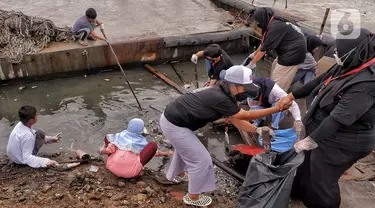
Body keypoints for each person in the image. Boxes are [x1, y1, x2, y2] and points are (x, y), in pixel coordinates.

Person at [160, 65, 291, 207]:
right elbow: (244, 115)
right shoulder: (220, 97)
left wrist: (256, 130)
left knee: (184, 151)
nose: (246, 92)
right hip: (174, 124)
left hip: (175, 120)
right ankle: (193, 197)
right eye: (245, 88)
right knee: (202, 160)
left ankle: (176, 175)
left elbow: (236, 120)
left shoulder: (226, 94)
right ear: (234, 85)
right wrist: (276, 108)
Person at [280, 28, 375, 208]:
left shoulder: (367, 83)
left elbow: (338, 119)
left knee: (322, 178)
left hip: (343, 141)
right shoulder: (348, 62)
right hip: (321, 129)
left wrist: (308, 141)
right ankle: (299, 195)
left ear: (355, 51)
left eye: (340, 50)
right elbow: (319, 80)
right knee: (304, 165)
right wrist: (291, 96)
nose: (336, 53)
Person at [246, 7, 307, 92]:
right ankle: (273, 87)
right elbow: (264, 42)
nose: (257, 24)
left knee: (278, 82)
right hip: (287, 49)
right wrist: (254, 54)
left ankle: (277, 97)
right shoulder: (272, 21)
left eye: (258, 21)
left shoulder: (275, 28)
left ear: (262, 19)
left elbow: (264, 50)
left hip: (293, 54)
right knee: (275, 68)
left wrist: (252, 63)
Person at [99, 118, 170, 178]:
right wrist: (166, 153)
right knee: (153, 145)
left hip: (111, 166)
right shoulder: (141, 142)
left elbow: (109, 148)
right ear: (142, 130)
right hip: (130, 173)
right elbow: (154, 152)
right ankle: (138, 171)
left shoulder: (119, 137)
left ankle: (114, 160)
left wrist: (103, 149)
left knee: (109, 137)